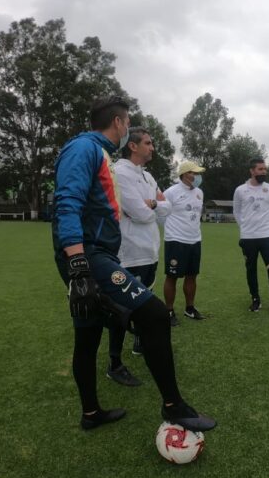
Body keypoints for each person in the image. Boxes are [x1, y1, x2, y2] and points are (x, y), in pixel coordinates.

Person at [52, 95, 215, 432]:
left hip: (97, 254)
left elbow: (155, 206)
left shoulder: (102, 155)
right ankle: (174, 406)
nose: (129, 128)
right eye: (128, 122)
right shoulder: (84, 148)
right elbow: (66, 202)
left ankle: (91, 413)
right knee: (155, 315)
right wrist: (79, 263)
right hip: (90, 255)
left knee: (88, 333)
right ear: (119, 123)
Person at [105, 126, 169, 385]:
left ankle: (139, 342)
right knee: (121, 310)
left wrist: (152, 205)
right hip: (129, 252)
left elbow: (166, 209)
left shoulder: (148, 176)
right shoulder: (120, 172)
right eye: (148, 143)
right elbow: (141, 214)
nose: (152, 147)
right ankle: (114, 363)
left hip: (150, 250)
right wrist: (155, 206)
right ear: (133, 146)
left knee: (145, 303)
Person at [232, 158, 269, 315]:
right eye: (260, 169)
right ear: (252, 171)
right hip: (248, 237)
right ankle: (255, 300)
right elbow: (236, 211)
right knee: (251, 269)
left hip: (267, 236)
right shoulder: (240, 190)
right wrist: (243, 227)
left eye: (265, 169)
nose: (264, 171)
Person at [162, 161, 206, 323]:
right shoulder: (171, 192)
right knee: (172, 276)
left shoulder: (200, 193)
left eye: (197, 173)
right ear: (184, 174)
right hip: (176, 241)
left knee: (192, 276)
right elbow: (160, 213)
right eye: (193, 173)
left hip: (195, 240)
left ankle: (190, 308)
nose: (196, 177)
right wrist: (171, 230)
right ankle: (169, 311)